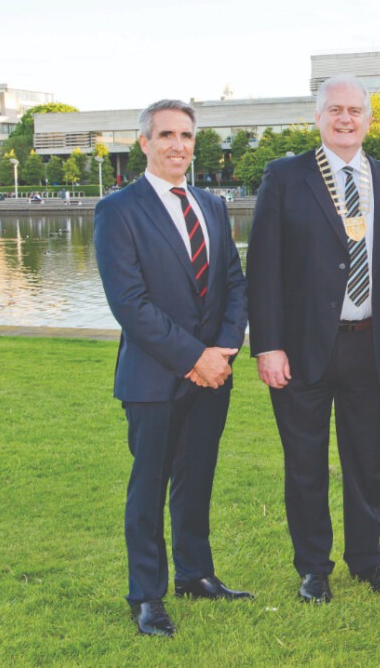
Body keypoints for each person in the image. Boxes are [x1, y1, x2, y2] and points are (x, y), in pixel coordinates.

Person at [247, 75, 380, 604]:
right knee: (305, 464)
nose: (345, 119)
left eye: (355, 111)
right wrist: (267, 344)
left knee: (368, 463)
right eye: (335, 110)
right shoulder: (284, 177)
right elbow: (263, 268)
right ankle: (313, 568)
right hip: (301, 350)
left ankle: (369, 560)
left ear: (370, 120)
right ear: (317, 117)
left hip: (374, 347)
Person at [94, 99, 251, 637]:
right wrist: (193, 358)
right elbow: (130, 303)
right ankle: (146, 595)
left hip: (214, 375)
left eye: (185, 135)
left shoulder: (212, 203)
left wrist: (224, 350)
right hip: (154, 378)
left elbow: (233, 282)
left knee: (197, 479)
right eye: (165, 135)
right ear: (144, 143)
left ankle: (196, 575)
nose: (177, 145)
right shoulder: (118, 210)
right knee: (149, 488)